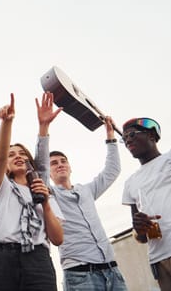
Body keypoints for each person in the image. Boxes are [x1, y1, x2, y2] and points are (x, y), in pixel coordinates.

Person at [0, 92, 64, 291]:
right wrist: (7, 123)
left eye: (22, 154)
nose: (17, 156)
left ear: (30, 161)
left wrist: (45, 203)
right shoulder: (0, 187)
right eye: (12, 155)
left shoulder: (42, 189)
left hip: (38, 259)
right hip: (3, 260)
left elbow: (57, 238)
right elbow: (0, 155)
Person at [49, 116, 128, 291]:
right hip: (80, 275)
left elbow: (111, 171)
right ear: (48, 172)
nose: (60, 165)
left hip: (111, 270)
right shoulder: (50, 195)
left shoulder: (87, 191)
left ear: (70, 167)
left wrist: (110, 137)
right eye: (54, 163)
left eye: (63, 161)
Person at [121, 117, 171, 290]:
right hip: (159, 260)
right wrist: (139, 229)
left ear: (151, 135)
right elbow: (141, 237)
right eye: (124, 138)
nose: (128, 140)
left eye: (132, 134)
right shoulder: (130, 183)